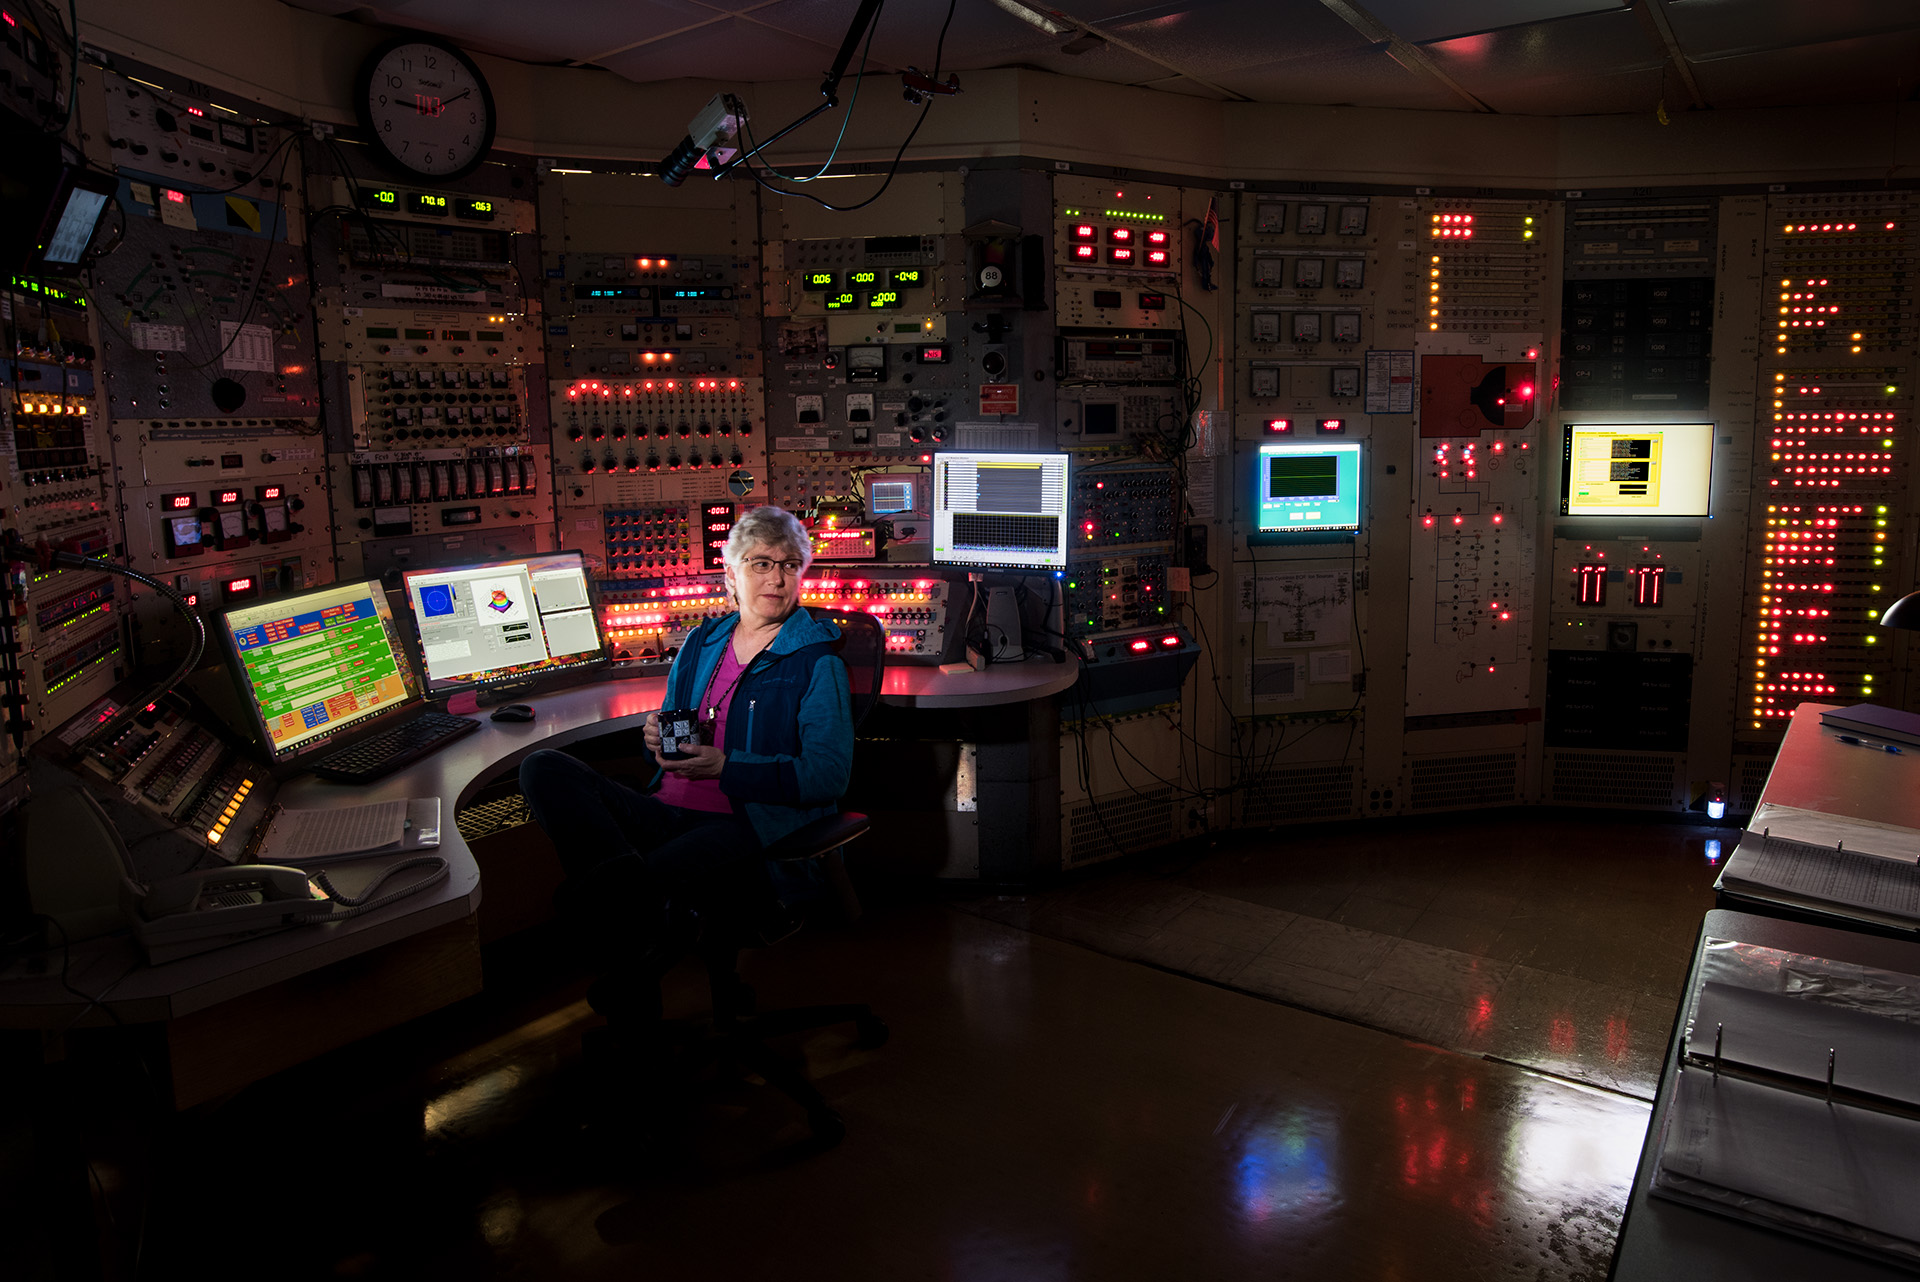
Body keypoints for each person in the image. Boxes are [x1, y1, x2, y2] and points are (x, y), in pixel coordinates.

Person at [518, 505, 853, 1034]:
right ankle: (633, 930)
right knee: (544, 768)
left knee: (630, 890)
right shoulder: (703, 642)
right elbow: (673, 728)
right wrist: (654, 738)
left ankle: (633, 1003)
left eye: (790, 565)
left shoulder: (817, 660)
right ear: (732, 574)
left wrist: (728, 766)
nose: (776, 577)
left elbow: (827, 777)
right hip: (667, 808)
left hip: (747, 826)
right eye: (761, 563)